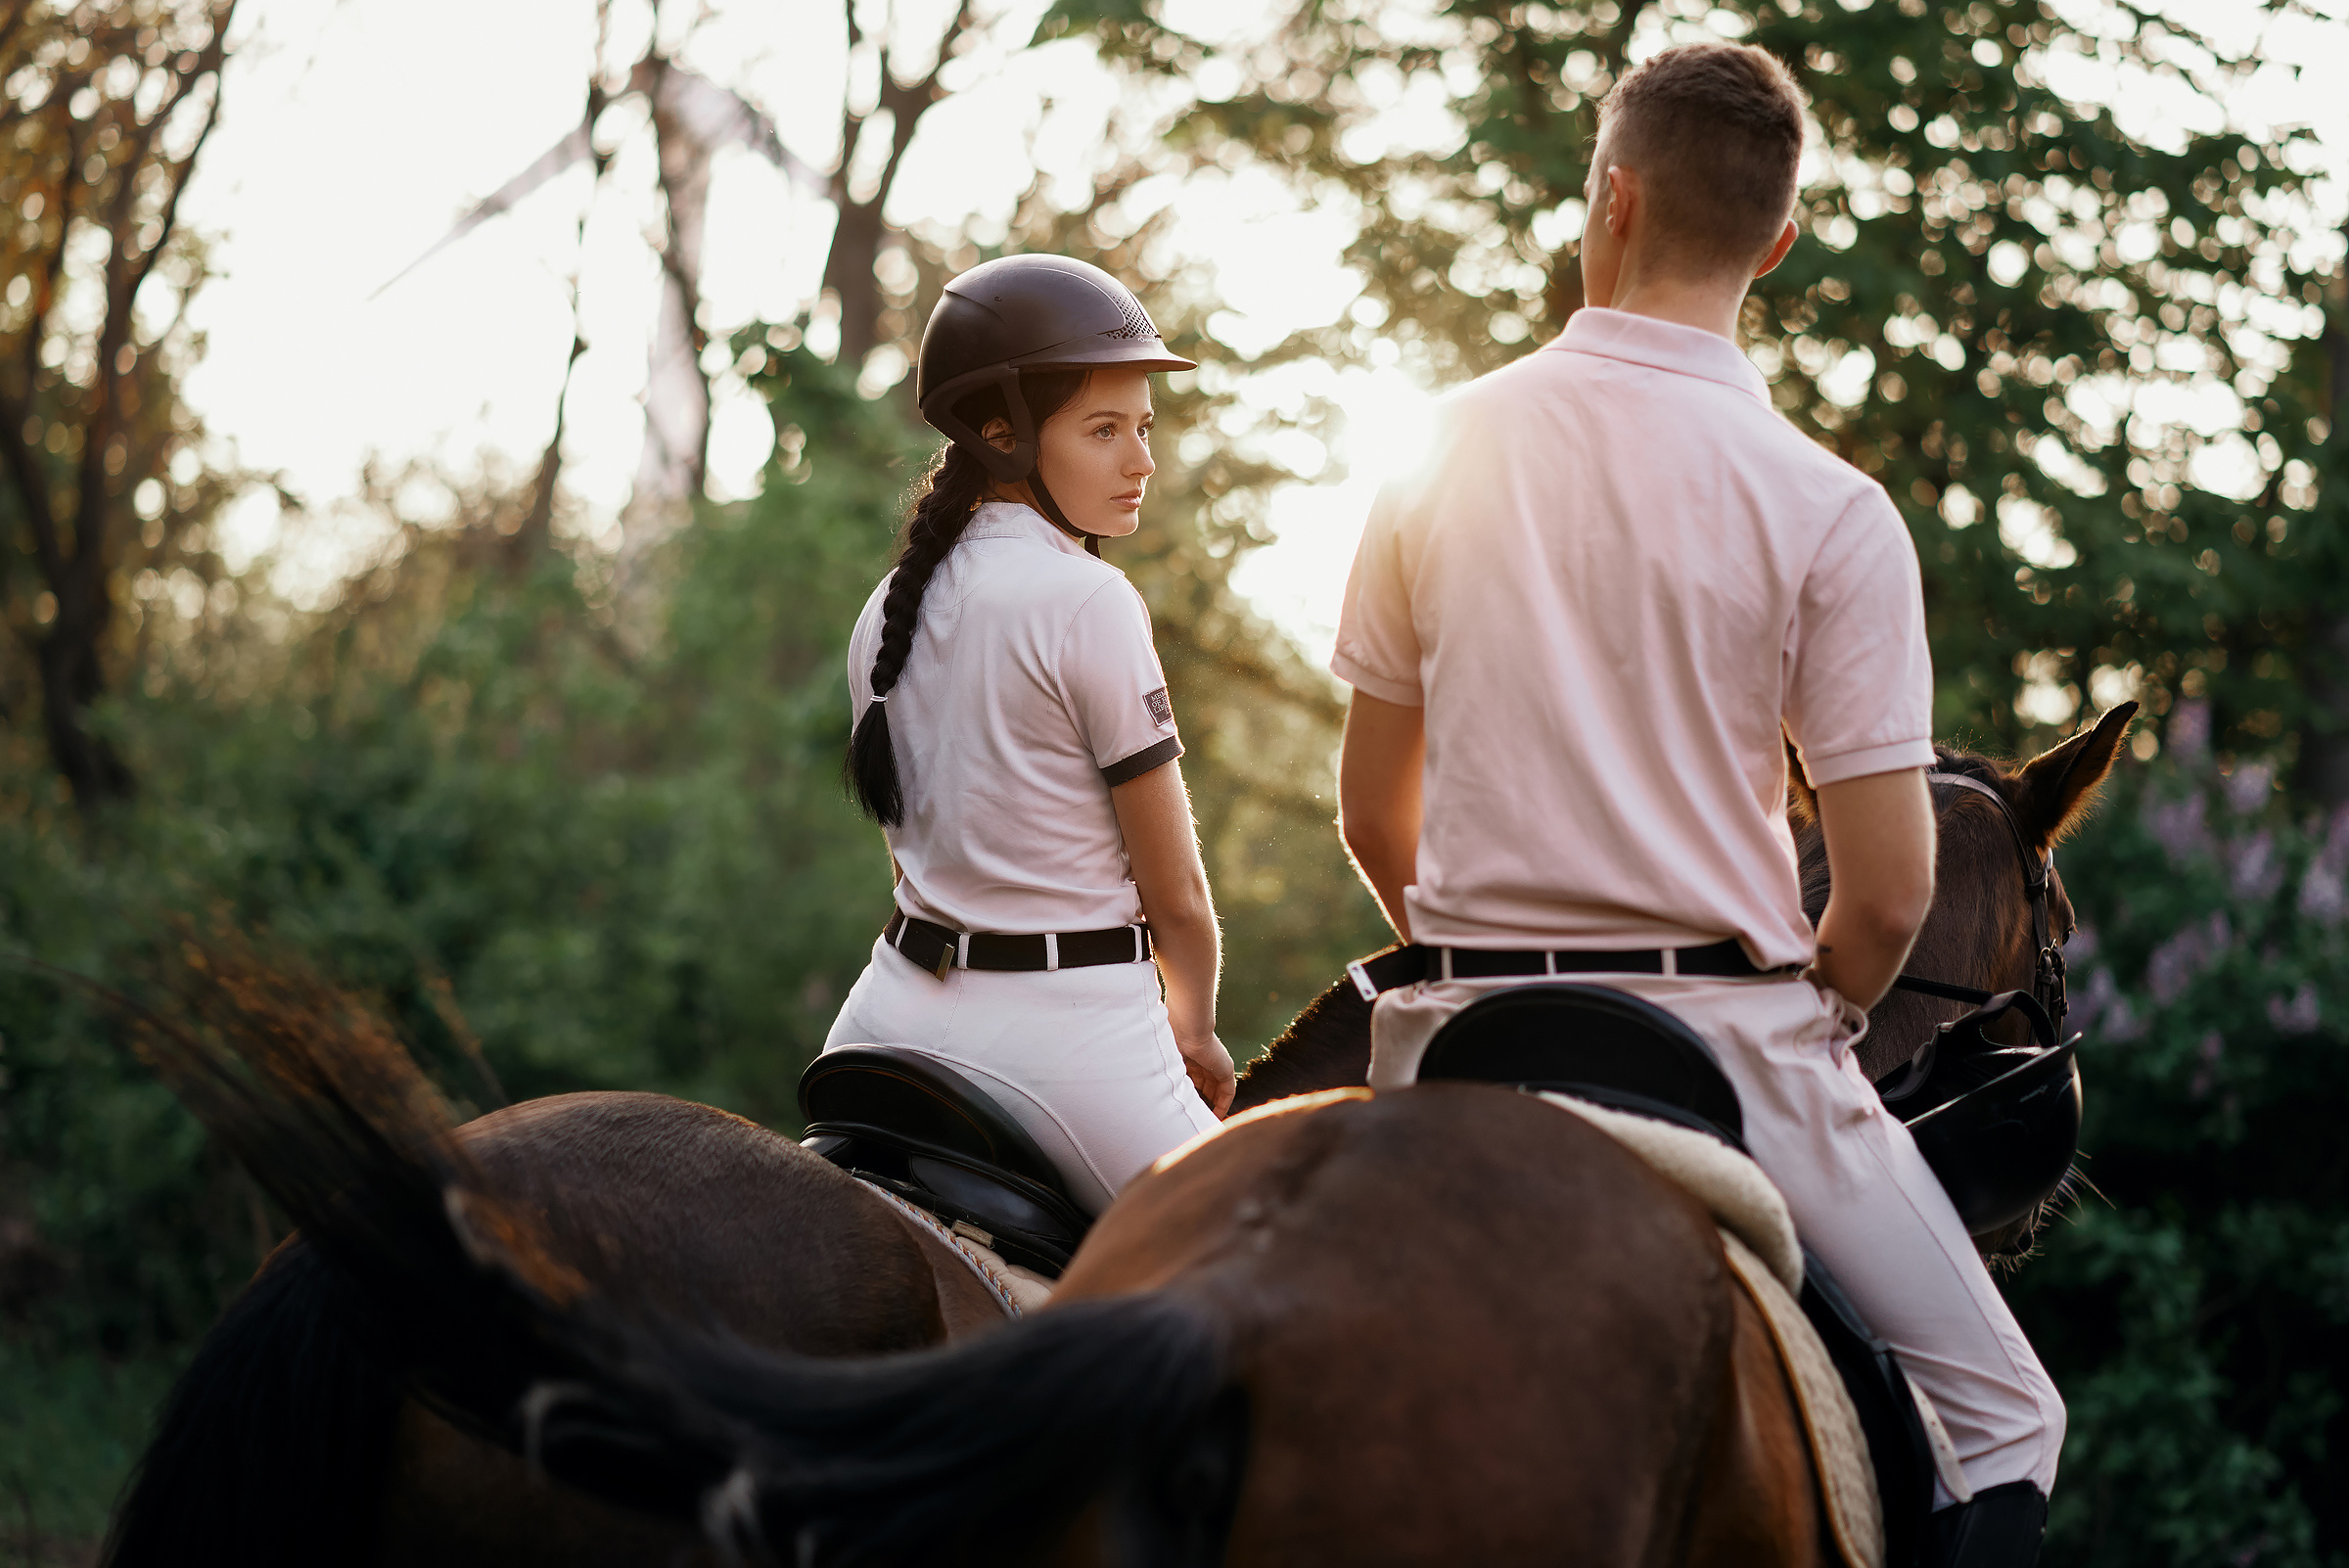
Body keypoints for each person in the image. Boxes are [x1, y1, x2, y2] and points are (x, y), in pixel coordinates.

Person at [1328, 41, 2061, 1566]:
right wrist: (1825, 1015)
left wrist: (1478, 950)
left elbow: (1371, 819)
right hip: (1722, 1045)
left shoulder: (1433, 452)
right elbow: (1883, 899)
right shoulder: (1830, 510)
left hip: (1453, 1034)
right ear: (1777, 243)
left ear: (1611, 199)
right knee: (2008, 1419)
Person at [823, 254, 1233, 1217]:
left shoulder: (884, 610)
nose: (1142, 461)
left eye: (1143, 428)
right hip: (1071, 1043)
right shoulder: (1089, 599)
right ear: (1001, 434)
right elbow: (1175, 898)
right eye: (1103, 430)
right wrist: (1199, 1028)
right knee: (1282, 1291)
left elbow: (917, 862)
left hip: (886, 1018)